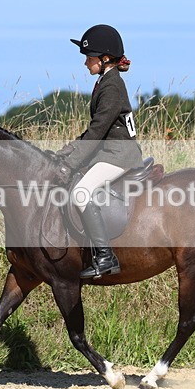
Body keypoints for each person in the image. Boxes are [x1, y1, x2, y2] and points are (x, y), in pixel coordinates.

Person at [55, 24, 143, 279]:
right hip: (108, 151)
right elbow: (94, 130)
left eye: (89, 57)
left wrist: (70, 164)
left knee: (81, 193)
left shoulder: (112, 86)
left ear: (105, 58)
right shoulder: (106, 81)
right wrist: (69, 150)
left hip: (118, 155)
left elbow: (97, 133)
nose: (85, 63)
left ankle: (105, 256)